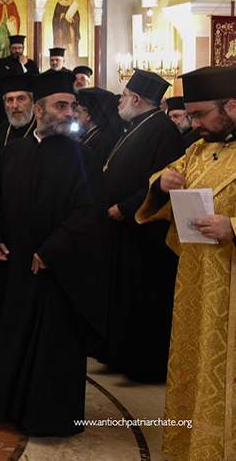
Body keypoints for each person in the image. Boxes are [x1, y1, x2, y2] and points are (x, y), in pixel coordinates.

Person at [0, 69, 107, 437]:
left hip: (58, 274)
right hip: (16, 270)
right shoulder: (12, 152)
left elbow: (89, 212)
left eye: (72, 106)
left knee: (53, 347)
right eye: (61, 106)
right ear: (39, 110)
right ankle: (7, 407)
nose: (69, 113)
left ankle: (47, 417)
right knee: (11, 339)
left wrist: (52, 250)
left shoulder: (82, 157)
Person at [136, 65, 236, 461]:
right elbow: (165, 178)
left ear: (231, 106)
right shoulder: (197, 149)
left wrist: (233, 226)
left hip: (232, 285)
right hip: (197, 283)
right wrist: (161, 183)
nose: (193, 124)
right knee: (197, 367)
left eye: (200, 115)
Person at [101, 69, 183, 382]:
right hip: (124, 231)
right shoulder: (138, 125)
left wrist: (125, 207)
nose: (119, 101)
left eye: (123, 96)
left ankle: (143, 365)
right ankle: (121, 357)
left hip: (145, 231)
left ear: (136, 99)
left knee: (142, 297)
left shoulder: (163, 131)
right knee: (124, 296)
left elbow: (164, 180)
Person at [0, 74, 35, 176]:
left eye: (21, 99)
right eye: (9, 100)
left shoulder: (41, 132)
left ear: (32, 102)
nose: (15, 105)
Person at [75, 87, 121, 164]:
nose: (74, 115)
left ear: (88, 115)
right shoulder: (91, 135)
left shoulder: (100, 141)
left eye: (77, 112)